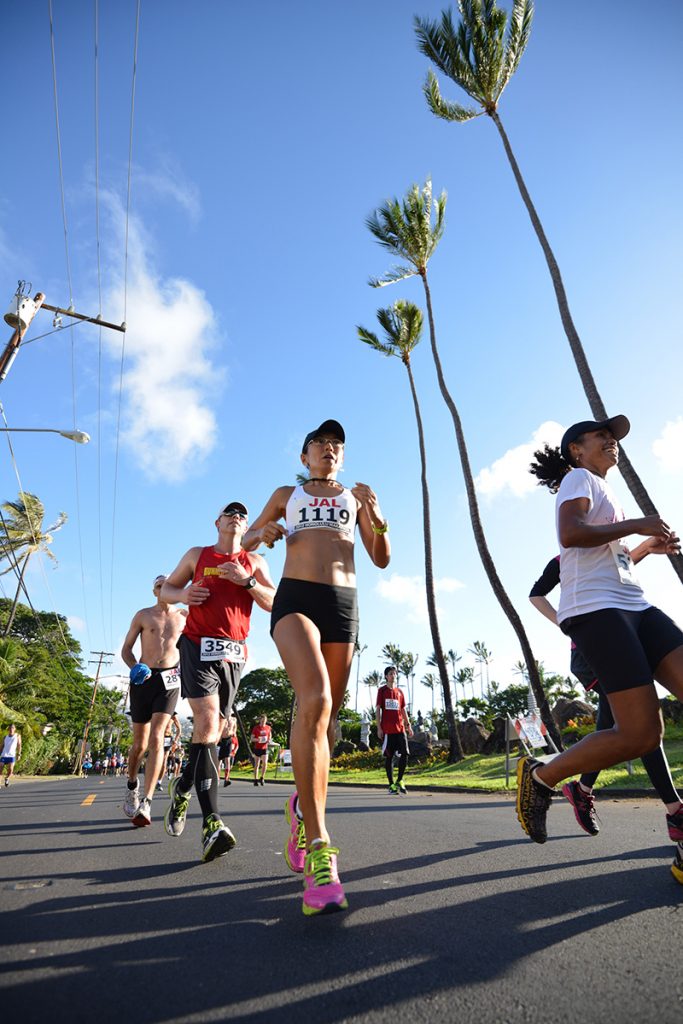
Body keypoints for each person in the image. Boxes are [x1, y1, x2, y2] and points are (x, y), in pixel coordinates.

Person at [518, 415, 683, 887]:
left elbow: (614, 559)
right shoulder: (579, 479)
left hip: (634, 605)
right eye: (601, 435)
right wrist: (638, 523)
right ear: (576, 449)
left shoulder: (602, 493)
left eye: (613, 436)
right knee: (639, 732)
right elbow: (569, 535)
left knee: (642, 731)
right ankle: (544, 776)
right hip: (596, 615)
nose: (611, 440)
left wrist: (645, 545)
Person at [243, 418, 390, 915]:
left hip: (343, 602)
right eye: (320, 444)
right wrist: (261, 532)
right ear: (304, 455)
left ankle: (301, 809)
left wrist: (376, 513)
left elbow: (381, 557)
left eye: (337, 445)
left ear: (342, 458)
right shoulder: (288, 492)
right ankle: (321, 849)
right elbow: (247, 544)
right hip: (296, 598)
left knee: (324, 722)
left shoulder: (355, 497)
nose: (329, 449)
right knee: (316, 698)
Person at [530, 555, 683, 840]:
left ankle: (582, 789)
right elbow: (536, 594)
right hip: (592, 651)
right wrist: (562, 621)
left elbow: (622, 568)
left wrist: (647, 547)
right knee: (642, 724)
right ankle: (675, 811)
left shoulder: (610, 550)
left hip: (628, 637)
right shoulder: (566, 558)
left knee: (618, 724)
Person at [161, 501, 275, 862]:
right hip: (196, 645)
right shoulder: (198, 555)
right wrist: (182, 595)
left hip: (234, 655)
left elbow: (275, 601)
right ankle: (212, 823)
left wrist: (248, 582)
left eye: (242, 515)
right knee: (207, 722)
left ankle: (182, 788)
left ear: (246, 528)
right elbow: (166, 589)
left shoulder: (254, 562)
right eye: (230, 513)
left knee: (216, 732)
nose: (237, 518)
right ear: (218, 522)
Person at [121, 575, 187, 827]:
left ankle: (147, 802)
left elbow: (195, 644)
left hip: (170, 680)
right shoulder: (143, 615)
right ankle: (131, 785)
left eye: (169, 585)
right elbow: (126, 649)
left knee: (157, 737)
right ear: (154, 591)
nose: (164, 588)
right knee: (139, 744)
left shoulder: (184, 615)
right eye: (159, 585)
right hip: (143, 679)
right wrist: (134, 667)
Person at [376, 666, 414, 794]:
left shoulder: (400, 692)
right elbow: (378, 709)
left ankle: (400, 780)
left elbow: (403, 710)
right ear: (386, 676)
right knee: (389, 756)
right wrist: (379, 727)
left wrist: (408, 725)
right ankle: (391, 785)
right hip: (388, 730)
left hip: (400, 729)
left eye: (395, 674)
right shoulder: (382, 691)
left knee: (405, 753)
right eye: (391, 674)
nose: (393, 676)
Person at [159, 713, 181, 789]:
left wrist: (175, 740)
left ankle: (159, 782)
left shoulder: (173, 714)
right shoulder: (158, 710)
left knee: (164, 759)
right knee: (157, 759)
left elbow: (179, 728)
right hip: (158, 737)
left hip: (167, 738)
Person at [251, 714, 272, 786]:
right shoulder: (256, 728)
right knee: (257, 765)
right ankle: (255, 779)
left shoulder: (268, 728)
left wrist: (268, 740)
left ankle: (262, 777)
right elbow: (252, 739)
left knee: (265, 763)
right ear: (260, 720)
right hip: (257, 748)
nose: (263, 722)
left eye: (265, 721)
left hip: (264, 748)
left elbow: (269, 736)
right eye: (262, 721)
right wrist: (257, 739)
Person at [217, 714, 238, 786]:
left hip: (228, 740)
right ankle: (217, 778)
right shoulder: (221, 718)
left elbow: (235, 727)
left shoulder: (233, 719)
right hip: (220, 741)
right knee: (218, 761)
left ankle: (226, 779)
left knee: (227, 760)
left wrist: (233, 732)